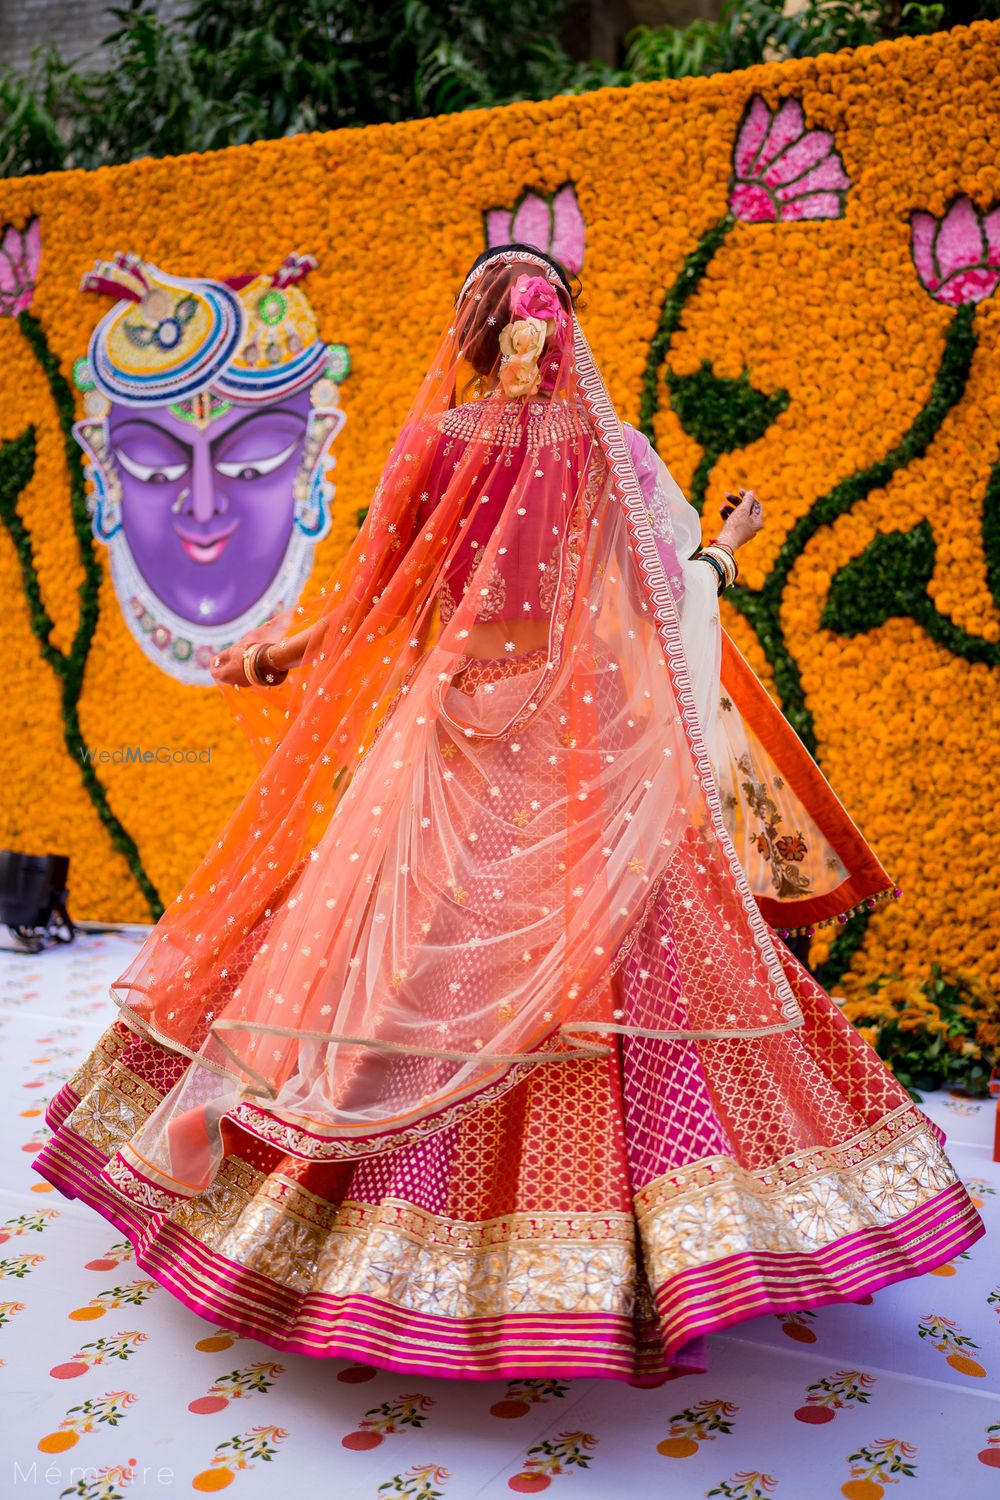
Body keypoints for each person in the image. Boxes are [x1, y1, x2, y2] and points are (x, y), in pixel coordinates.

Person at [35, 244, 984, 1386]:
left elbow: (378, 601)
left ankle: (363, 1248)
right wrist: (724, 552)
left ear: (472, 337)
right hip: (597, 770)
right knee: (637, 990)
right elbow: (665, 589)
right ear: (564, 331)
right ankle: (671, 1251)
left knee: (401, 979)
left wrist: (274, 657)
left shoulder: (438, 446)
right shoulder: (617, 453)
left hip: (453, 756)